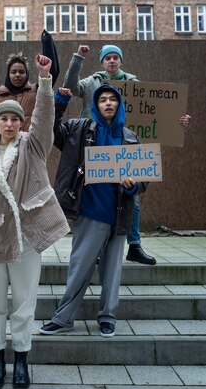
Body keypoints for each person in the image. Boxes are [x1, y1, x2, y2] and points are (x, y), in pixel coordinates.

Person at [0, 55, 70, 389]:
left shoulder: (33, 147)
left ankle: (21, 359)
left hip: (27, 237)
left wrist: (46, 81)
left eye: (14, 119)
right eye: (4, 118)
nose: (9, 123)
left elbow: (44, 116)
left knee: (24, 302)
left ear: (21, 123)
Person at [63, 44, 190, 266]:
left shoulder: (135, 86)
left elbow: (157, 112)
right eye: (108, 58)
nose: (112, 61)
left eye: (115, 58)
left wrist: (178, 122)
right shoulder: (91, 82)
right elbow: (70, 86)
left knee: (131, 197)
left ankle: (135, 245)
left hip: (125, 146)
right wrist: (78, 58)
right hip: (95, 145)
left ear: (121, 61)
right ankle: (98, 247)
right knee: (94, 197)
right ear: (102, 62)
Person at [40, 83, 147, 338]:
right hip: (90, 212)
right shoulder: (79, 129)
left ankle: (108, 318)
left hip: (119, 214)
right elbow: (50, 130)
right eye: (103, 100)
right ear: (96, 106)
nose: (108, 103)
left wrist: (133, 187)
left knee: (113, 270)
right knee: (80, 267)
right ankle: (64, 318)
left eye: (113, 100)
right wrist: (60, 103)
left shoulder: (131, 138)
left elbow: (143, 180)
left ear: (119, 105)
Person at [0, 52, 37, 131]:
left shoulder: (36, 92)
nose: (17, 75)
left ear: (27, 74)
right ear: (8, 75)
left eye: (21, 72)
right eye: (13, 72)